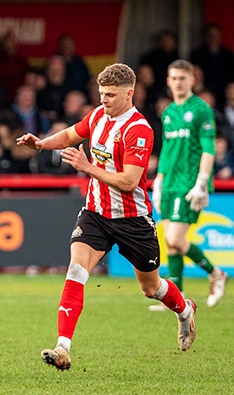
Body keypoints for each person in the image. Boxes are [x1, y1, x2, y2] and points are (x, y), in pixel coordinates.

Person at [16, 63, 196, 371]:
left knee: (150, 288)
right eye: (101, 94)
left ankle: (184, 310)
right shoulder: (98, 116)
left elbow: (128, 182)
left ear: (129, 93)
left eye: (110, 95)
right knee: (76, 270)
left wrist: (87, 168)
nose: (104, 100)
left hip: (132, 220)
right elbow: (73, 134)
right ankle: (63, 346)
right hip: (96, 214)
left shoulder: (138, 129)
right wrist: (43, 144)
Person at [151, 59, 229, 311]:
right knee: (172, 243)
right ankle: (176, 296)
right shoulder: (169, 112)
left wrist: (202, 182)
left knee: (174, 238)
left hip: (189, 184)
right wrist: (159, 181)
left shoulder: (201, 109)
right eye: (173, 78)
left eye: (182, 78)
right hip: (170, 182)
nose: (178, 82)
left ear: (192, 80)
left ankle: (215, 273)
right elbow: (166, 151)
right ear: (168, 81)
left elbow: (208, 148)